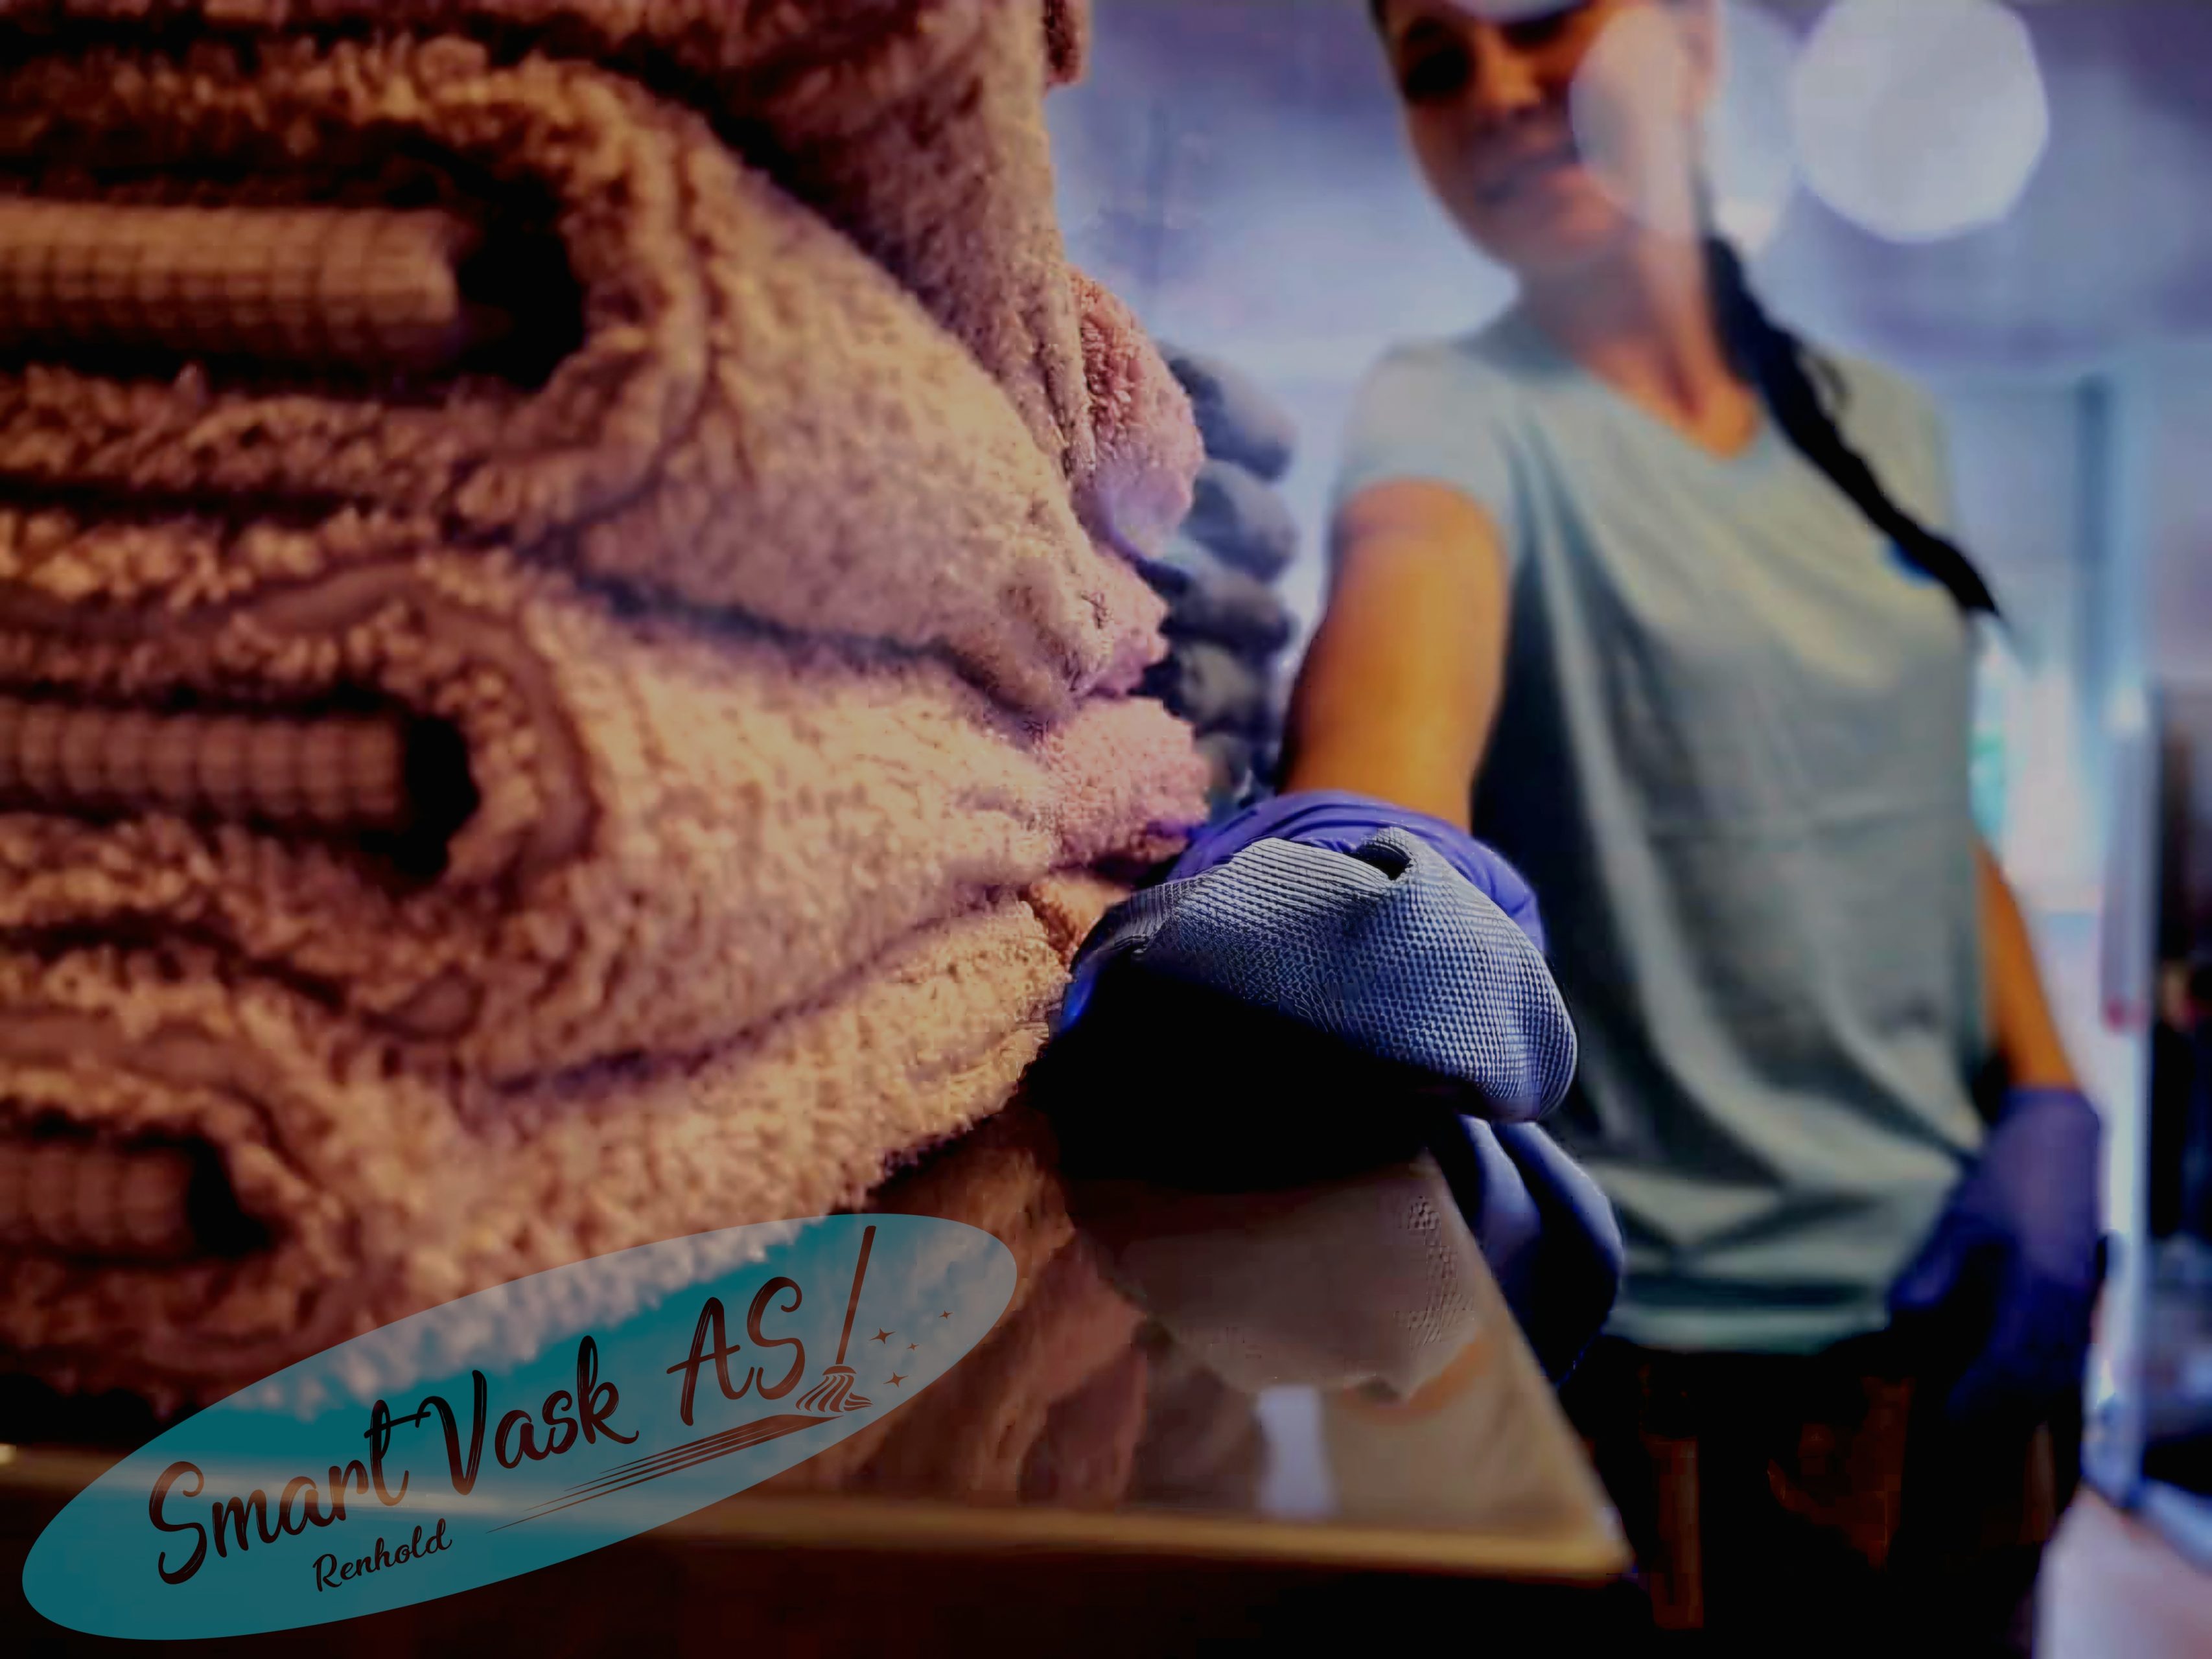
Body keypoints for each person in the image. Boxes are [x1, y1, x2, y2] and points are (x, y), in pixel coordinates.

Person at [1275, 0, 2104, 1649]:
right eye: (1434, 63)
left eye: (1540, 15)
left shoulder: (1885, 427)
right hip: (1651, 1386)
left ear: (1705, 45)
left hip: (1955, 1334)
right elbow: (1403, 670)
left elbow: (1925, 808)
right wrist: (1360, 872)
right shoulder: (1452, 410)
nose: (1494, 88)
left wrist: (2054, 1097)